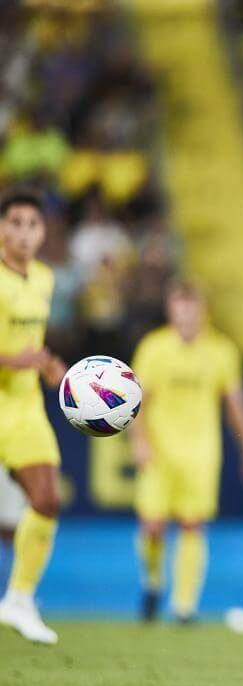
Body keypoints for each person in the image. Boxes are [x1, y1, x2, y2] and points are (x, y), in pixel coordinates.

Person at [129, 280, 243, 623]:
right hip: (159, 453)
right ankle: (152, 582)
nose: (188, 317)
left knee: (192, 526)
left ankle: (183, 606)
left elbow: (236, 405)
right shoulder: (154, 348)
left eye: (193, 309)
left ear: (201, 311)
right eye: (181, 309)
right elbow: (136, 403)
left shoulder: (220, 350)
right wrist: (140, 443)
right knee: (152, 526)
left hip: (201, 453)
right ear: (171, 312)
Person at [0, 190, 67, 645]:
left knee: (45, 498)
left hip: (22, 409)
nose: (25, 233)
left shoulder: (44, 278)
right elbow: (13, 352)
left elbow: (32, 343)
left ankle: (19, 600)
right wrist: (11, 360)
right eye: (16, 223)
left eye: (33, 225)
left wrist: (48, 367)